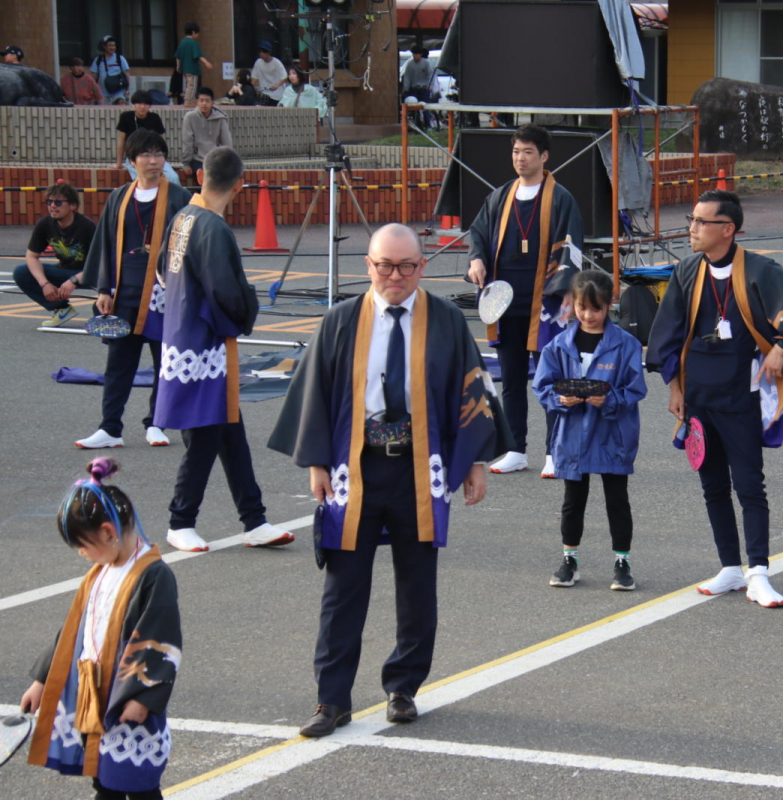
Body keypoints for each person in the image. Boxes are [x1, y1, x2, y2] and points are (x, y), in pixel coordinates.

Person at [268, 223, 508, 737]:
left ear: (423, 267)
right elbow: (315, 391)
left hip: (421, 467)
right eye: (384, 265)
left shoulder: (444, 319)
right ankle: (331, 700)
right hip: (356, 466)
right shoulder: (341, 321)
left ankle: (403, 687)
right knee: (343, 586)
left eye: (405, 266)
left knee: (416, 583)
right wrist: (314, 462)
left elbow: (471, 391)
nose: (394, 276)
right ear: (368, 266)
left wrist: (476, 462)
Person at [646, 190, 783, 608]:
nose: (691, 229)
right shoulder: (688, 271)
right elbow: (667, 332)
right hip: (697, 395)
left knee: (749, 485)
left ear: (727, 229)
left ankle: (759, 572)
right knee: (711, 484)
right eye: (692, 220)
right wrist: (673, 386)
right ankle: (730, 566)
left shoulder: (761, 271)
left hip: (741, 394)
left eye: (700, 222)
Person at [154, 147, 296, 553]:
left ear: (200, 176)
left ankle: (254, 519)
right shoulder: (214, 228)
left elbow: (164, 271)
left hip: (184, 333)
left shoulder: (183, 216)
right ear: (239, 185)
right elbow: (226, 291)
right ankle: (181, 520)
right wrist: (246, 312)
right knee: (205, 432)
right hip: (204, 341)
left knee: (228, 427)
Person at [21, 458, 182, 800]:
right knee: (104, 778)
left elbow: (161, 640)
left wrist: (144, 697)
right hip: (93, 690)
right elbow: (71, 631)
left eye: (83, 545)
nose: (82, 553)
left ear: (108, 532)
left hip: (127, 696)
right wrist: (42, 680)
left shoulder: (153, 575)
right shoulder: (100, 571)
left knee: (138, 782)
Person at [466, 124, 584, 478]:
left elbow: (572, 247)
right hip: (504, 301)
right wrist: (476, 259)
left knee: (552, 378)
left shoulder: (561, 198)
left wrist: (566, 291)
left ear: (544, 156)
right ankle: (515, 448)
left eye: (527, 152)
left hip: (544, 302)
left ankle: (554, 451)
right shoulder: (500, 196)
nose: (520, 158)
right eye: (516, 151)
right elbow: (478, 234)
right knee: (513, 379)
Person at [77, 129, 192, 451]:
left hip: (164, 295)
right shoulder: (119, 197)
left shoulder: (180, 197)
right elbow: (105, 244)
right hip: (124, 293)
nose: (154, 160)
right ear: (132, 161)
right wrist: (103, 288)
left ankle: (156, 423)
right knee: (118, 364)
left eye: (159, 154)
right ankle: (110, 428)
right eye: (146, 154)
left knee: (164, 363)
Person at [533, 269, 647, 590]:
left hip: (612, 434)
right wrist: (560, 398)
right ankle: (570, 560)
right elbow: (542, 386)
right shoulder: (559, 345)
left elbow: (636, 388)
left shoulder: (626, 345)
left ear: (609, 304)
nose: (588, 315)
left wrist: (609, 399)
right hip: (572, 434)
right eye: (582, 307)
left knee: (617, 498)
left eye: (596, 309)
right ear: (573, 304)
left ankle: (622, 563)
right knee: (573, 500)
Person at [12, 183, 97, 328]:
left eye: (58, 202)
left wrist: (74, 280)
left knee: (117, 280)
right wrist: (44, 283)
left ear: (73, 206)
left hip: (92, 274)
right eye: (49, 202)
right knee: (21, 272)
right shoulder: (44, 224)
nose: (52, 206)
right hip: (65, 271)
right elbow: (31, 256)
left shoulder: (88, 227)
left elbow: (99, 263)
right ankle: (62, 309)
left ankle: (102, 314)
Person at [115, 91, 181, 185]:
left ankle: (176, 199)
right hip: (135, 157)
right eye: (139, 103)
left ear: (150, 106)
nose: (142, 106)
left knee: (173, 177)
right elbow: (121, 141)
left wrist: (161, 158)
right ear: (133, 104)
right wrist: (119, 163)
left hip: (154, 155)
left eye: (146, 104)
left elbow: (160, 142)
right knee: (144, 179)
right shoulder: (126, 117)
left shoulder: (155, 118)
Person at [179, 87, 231, 178]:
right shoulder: (190, 117)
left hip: (215, 159)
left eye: (207, 101)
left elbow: (227, 143)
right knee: (204, 178)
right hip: (197, 159)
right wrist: (186, 163)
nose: (204, 104)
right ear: (197, 102)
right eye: (201, 100)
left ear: (212, 102)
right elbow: (187, 142)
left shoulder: (221, 118)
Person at [174, 22, 212, 107]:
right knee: (192, 85)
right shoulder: (193, 43)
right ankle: (189, 101)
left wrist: (178, 66)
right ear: (194, 32)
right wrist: (206, 63)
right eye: (197, 33)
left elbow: (178, 56)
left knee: (188, 85)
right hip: (192, 68)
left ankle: (188, 99)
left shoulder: (182, 42)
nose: (197, 35)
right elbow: (198, 55)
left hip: (184, 68)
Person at [400, 48, 436, 128]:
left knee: (425, 106)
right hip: (414, 88)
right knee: (415, 107)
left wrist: (430, 86)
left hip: (424, 88)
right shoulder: (410, 64)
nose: (415, 56)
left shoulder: (426, 63)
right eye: (413, 54)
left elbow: (431, 75)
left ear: (420, 55)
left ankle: (428, 124)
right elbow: (407, 77)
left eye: (416, 54)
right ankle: (418, 124)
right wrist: (405, 89)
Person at [91, 35, 129, 105]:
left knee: (121, 104)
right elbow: (94, 77)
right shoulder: (98, 59)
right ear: (104, 47)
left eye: (114, 45)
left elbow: (127, 75)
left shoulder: (120, 58)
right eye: (110, 45)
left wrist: (127, 91)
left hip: (118, 91)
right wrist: (93, 91)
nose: (112, 48)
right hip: (102, 92)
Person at [250, 42, 287, 106]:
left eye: (263, 52)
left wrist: (276, 86)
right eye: (260, 52)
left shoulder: (276, 63)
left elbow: (285, 76)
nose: (261, 54)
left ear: (269, 52)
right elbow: (254, 78)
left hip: (277, 94)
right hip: (265, 94)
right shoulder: (258, 63)